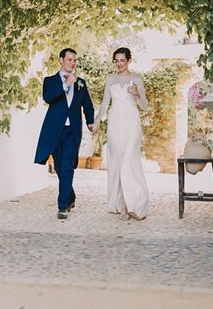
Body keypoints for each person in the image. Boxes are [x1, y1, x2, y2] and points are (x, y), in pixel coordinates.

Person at [34, 48, 95, 219]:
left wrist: (90, 122)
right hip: (54, 130)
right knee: (60, 168)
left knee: (67, 167)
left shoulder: (81, 83)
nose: (72, 63)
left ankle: (62, 206)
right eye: (69, 59)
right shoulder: (50, 80)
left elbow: (87, 106)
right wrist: (65, 85)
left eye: (74, 60)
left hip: (72, 132)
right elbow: (48, 97)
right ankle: (71, 196)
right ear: (61, 61)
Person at [92, 47, 149, 220]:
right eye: (116, 60)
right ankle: (119, 201)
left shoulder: (137, 79)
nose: (119, 64)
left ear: (129, 61)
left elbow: (145, 106)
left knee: (128, 159)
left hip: (132, 122)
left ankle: (129, 203)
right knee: (117, 161)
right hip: (115, 122)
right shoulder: (111, 79)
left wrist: (137, 95)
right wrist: (97, 120)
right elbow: (104, 104)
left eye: (122, 60)